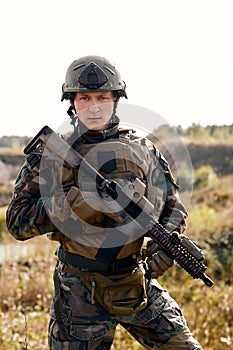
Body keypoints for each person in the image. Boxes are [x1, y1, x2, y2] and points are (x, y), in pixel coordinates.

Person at [6, 55, 203, 350]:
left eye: (102, 97)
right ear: (71, 101)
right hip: (78, 292)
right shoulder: (52, 155)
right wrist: (77, 202)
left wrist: (167, 242)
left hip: (135, 281)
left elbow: (172, 205)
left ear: (116, 100)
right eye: (85, 98)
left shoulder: (142, 149)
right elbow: (17, 223)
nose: (94, 107)